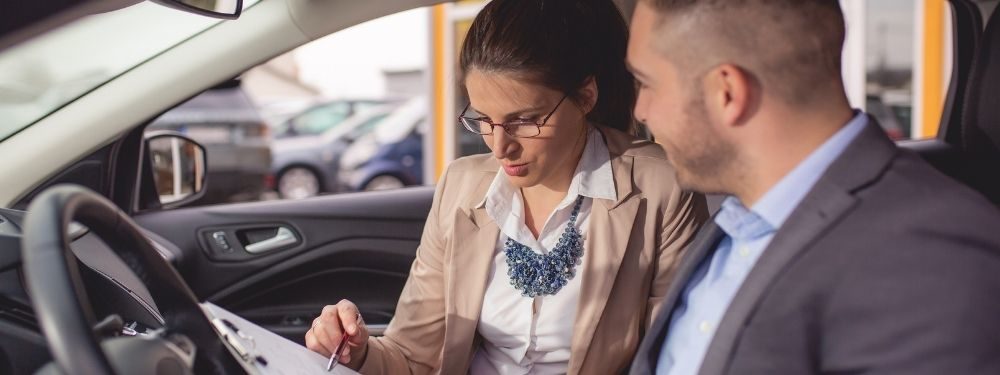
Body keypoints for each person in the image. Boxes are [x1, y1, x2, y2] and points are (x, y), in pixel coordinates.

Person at [305, 0, 708, 373]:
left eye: (525, 120)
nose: (501, 147)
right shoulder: (461, 187)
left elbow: (676, 359)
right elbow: (414, 357)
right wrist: (357, 353)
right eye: (484, 119)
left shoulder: (660, 188)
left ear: (585, 96)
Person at [625, 1, 1000, 374]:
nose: (641, 110)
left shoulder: (928, 255)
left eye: (645, 83)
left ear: (727, 92)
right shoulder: (737, 220)